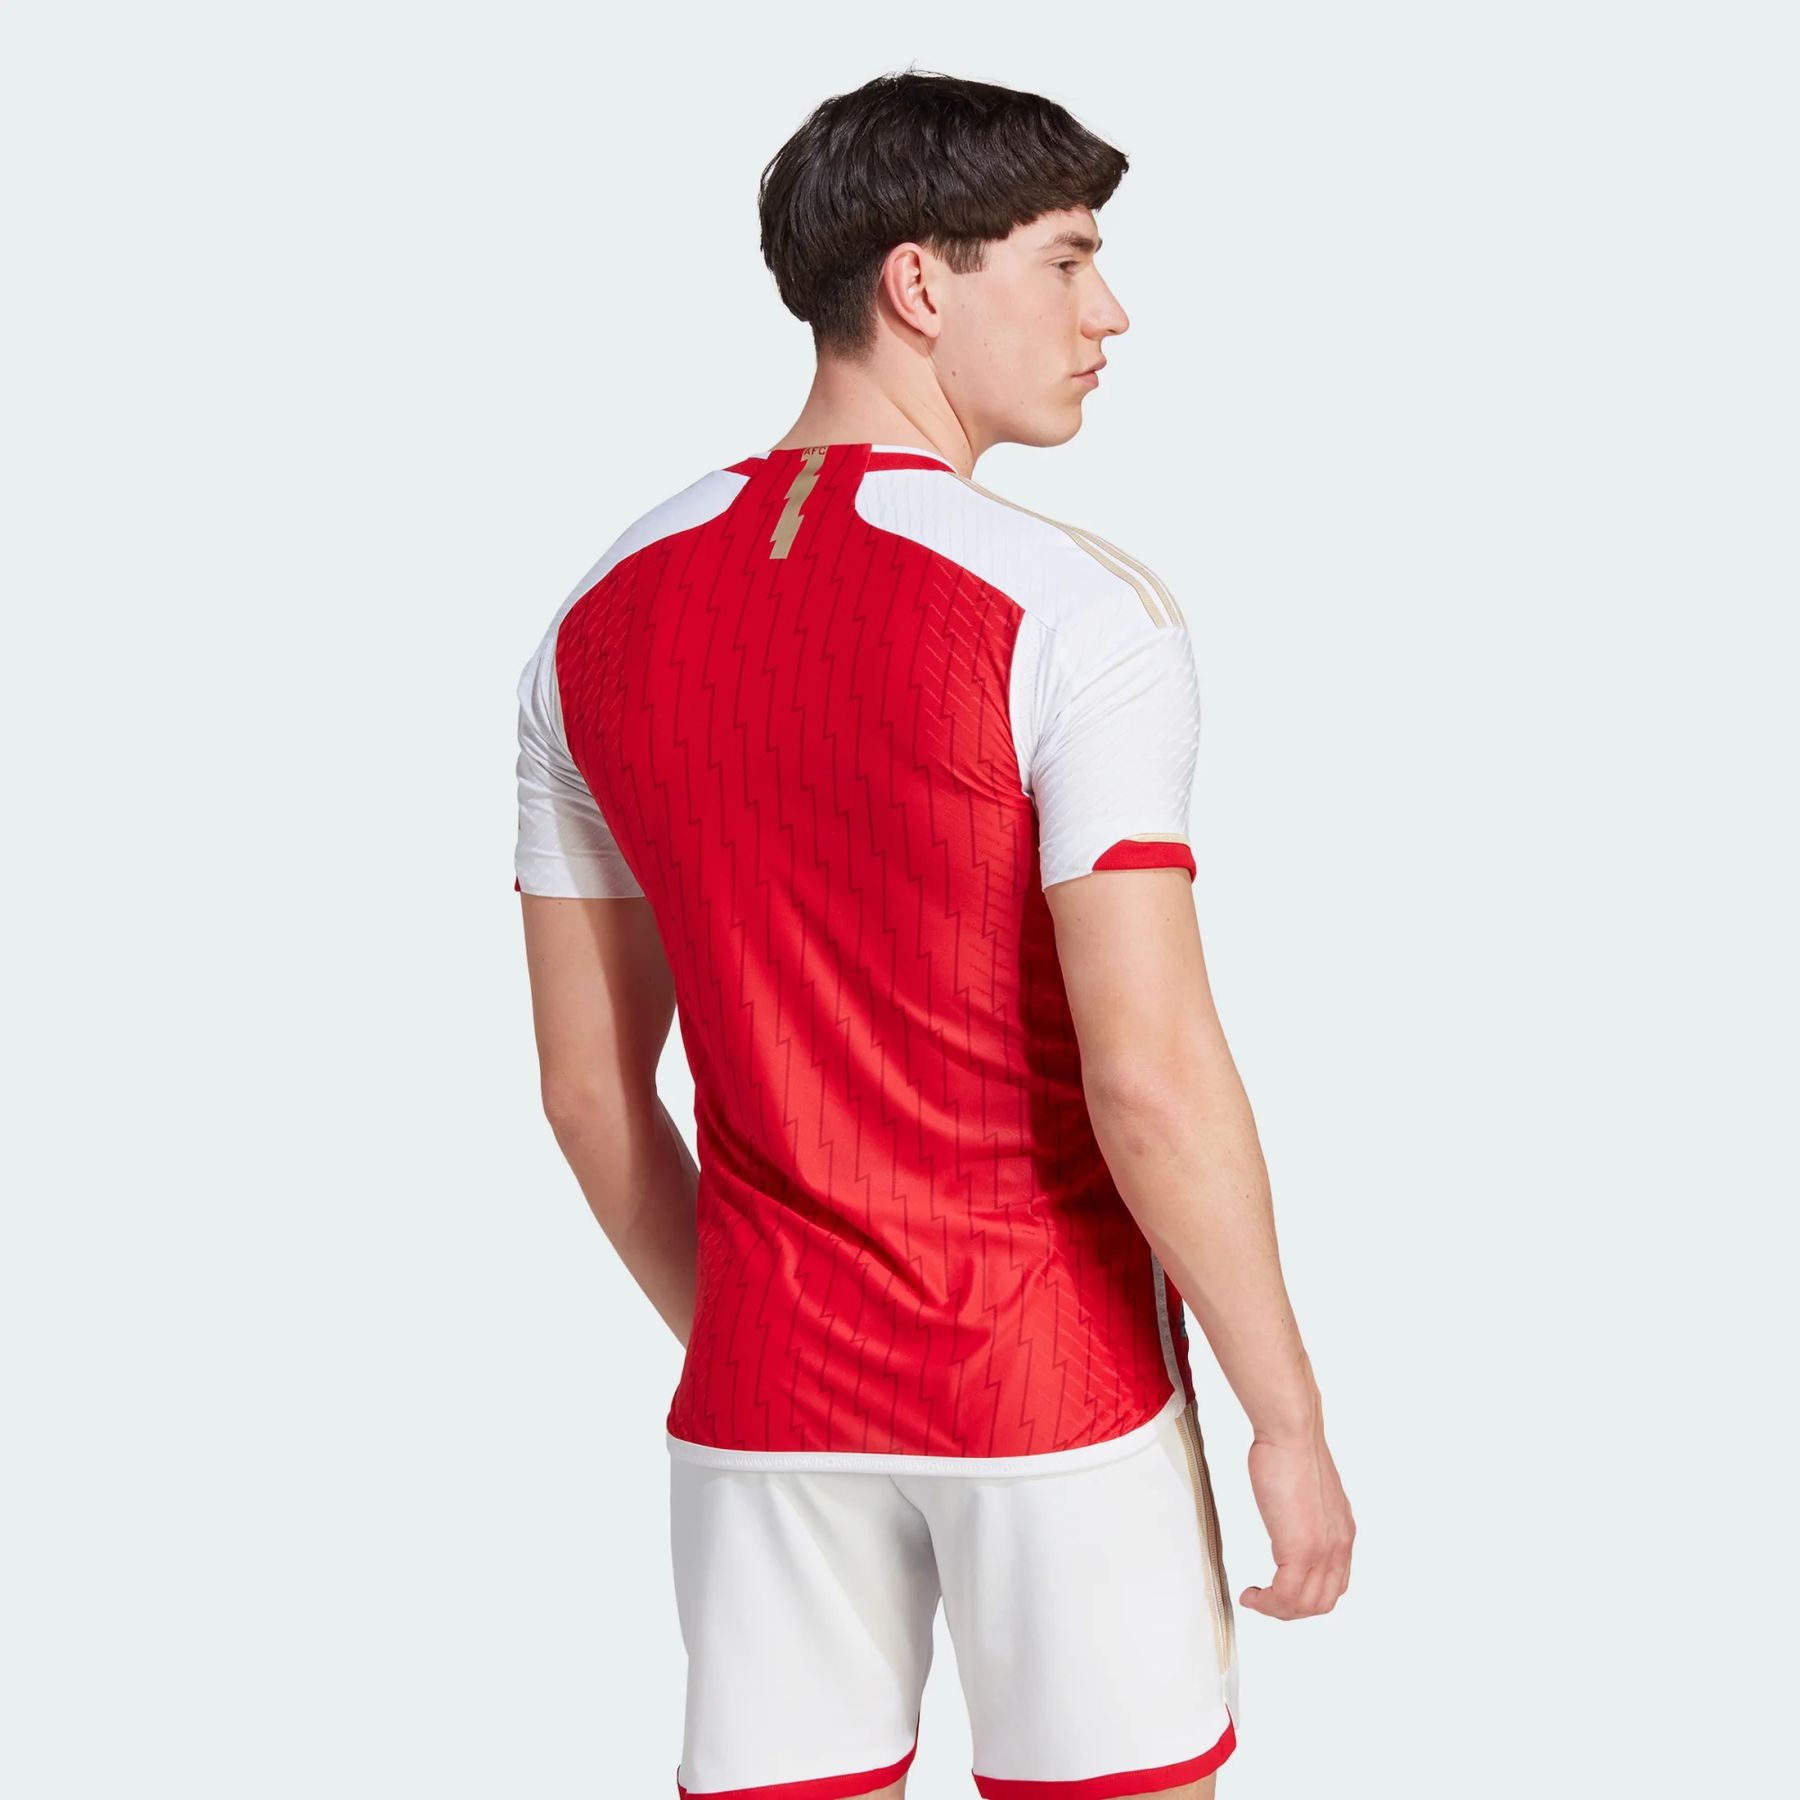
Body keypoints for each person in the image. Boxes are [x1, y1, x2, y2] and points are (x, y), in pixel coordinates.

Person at [513, 68, 1353, 1800]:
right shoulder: (1074, 612)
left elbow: (590, 1097)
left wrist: (769, 1336)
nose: (1109, 312)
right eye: (1067, 260)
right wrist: (1287, 1419)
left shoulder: (591, 617)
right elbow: (1150, 1076)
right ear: (919, 283)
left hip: (762, 1405)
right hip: (1053, 1391)